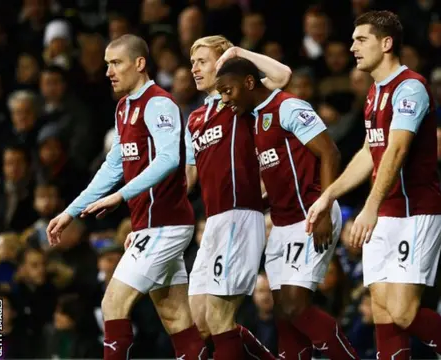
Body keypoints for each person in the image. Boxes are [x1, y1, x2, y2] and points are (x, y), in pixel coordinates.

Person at [306, 10, 441, 360]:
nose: (352, 47)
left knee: (403, 313)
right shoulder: (374, 93)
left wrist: (369, 207)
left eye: (360, 39)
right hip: (387, 213)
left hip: (415, 212)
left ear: (386, 44)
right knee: (383, 313)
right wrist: (329, 194)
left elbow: (396, 150)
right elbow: (371, 151)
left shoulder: (410, 87)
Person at [46, 34, 203, 360]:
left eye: (115, 63)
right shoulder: (124, 108)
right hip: (148, 224)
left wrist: (120, 196)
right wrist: (70, 212)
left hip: (167, 224)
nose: (108, 72)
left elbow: (169, 158)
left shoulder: (159, 103)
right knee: (176, 317)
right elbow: (113, 166)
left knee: (112, 303)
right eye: (106, 65)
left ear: (139, 63)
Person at [215, 58, 359, 360]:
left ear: (250, 83)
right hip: (281, 223)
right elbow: (278, 175)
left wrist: (323, 206)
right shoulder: (252, 120)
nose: (226, 100)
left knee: (295, 307)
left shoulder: (288, 107)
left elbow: (330, 152)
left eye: (229, 91)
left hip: (310, 214)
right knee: (283, 313)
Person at [184, 35, 291, 360]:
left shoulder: (242, 101)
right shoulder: (194, 118)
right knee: (199, 322)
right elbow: (187, 177)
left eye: (202, 61)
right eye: (192, 63)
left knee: (218, 318)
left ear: (222, 62)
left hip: (241, 216)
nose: (194, 69)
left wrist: (239, 53)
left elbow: (282, 76)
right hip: (213, 223)